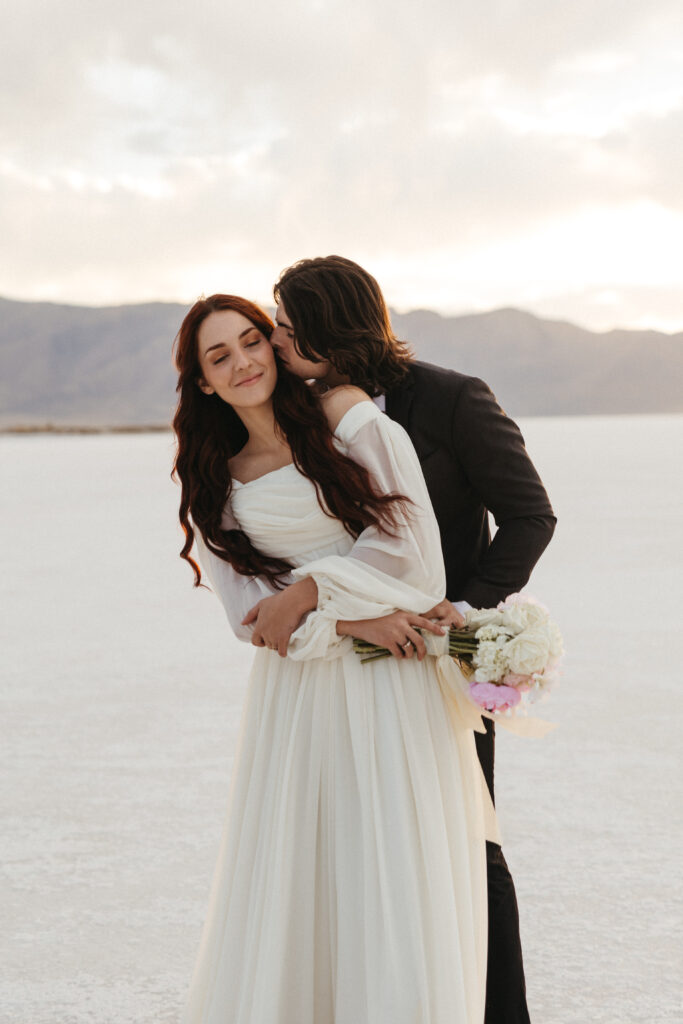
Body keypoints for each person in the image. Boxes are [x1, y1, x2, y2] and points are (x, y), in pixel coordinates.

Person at [245, 256, 557, 1024]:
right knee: (350, 847)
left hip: (439, 659)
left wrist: (464, 606)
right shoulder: (294, 414)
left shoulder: (452, 400)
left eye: (288, 326)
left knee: (467, 841)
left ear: (332, 327)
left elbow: (528, 515)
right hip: (338, 660)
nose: (276, 341)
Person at [173, 293, 497, 1024]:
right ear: (201, 382)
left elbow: (413, 552)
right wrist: (360, 621)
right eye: (218, 356)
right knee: (307, 869)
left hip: (393, 685)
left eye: (252, 340)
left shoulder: (341, 413)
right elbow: (254, 620)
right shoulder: (215, 479)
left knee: (396, 865)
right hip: (299, 697)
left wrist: (319, 588)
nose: (244, 361)